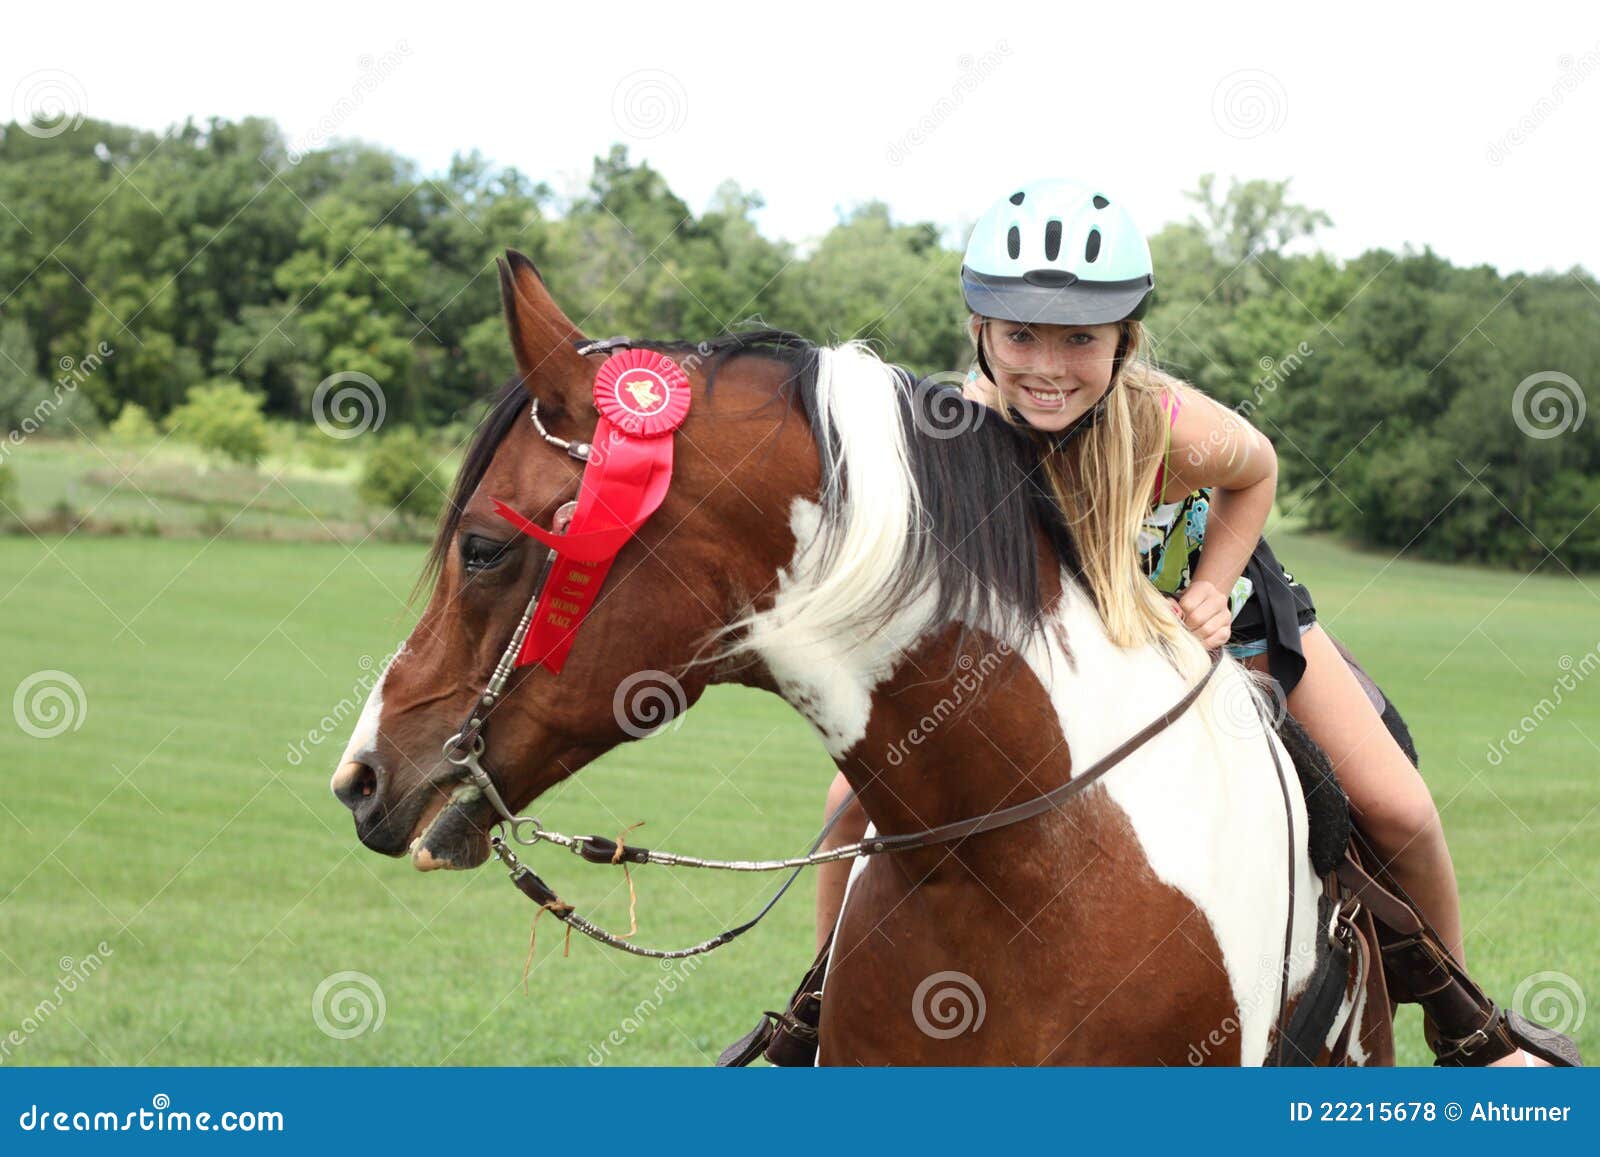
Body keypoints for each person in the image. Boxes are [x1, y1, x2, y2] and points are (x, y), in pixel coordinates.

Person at [810, 178, 1554, 1066]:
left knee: (1400, 809)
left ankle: (1465, 1022)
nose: (1048, 365)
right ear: (980, 331)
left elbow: (1258, 469)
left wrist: (1213, 583)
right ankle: (822, 1009)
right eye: (1020, 335)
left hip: (1223, 614)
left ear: (1124, 340)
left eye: (1081, 338)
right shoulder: (955, 435)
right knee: (846, 807)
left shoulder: (1164, 422)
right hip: (1069, 647)